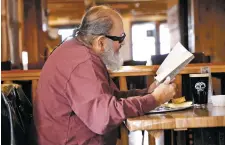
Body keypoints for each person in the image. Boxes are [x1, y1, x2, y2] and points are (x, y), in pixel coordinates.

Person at [33, 5, 176, 145]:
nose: (123, 43)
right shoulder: (83, 62)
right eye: (120, 38)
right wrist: (155, 99)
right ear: (101, 42)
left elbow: (109, 99)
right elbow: (104, 117)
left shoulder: (76, 50)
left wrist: (148, 93)